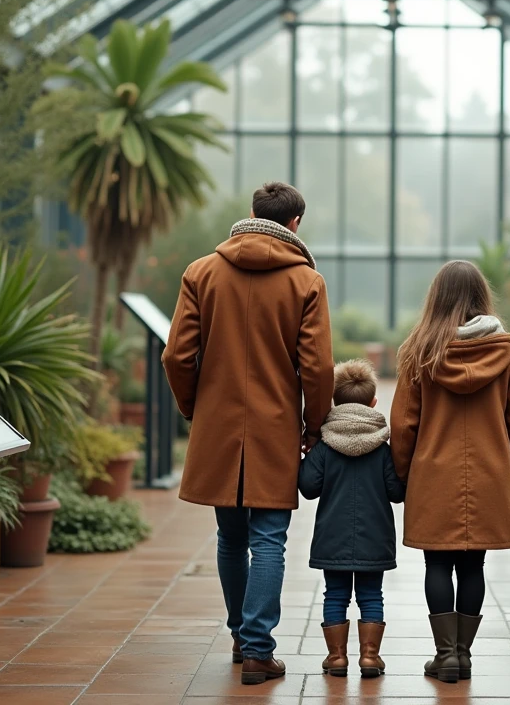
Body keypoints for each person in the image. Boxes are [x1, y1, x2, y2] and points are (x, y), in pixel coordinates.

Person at [163, 182, 334, 686]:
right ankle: (260, 650)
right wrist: (313, 424)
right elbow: (317, 368)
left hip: (218, 428)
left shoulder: (202, 272)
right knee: (270, 539)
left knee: (230, 538)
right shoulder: (306, 282)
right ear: (295, 223)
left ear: (252, 214)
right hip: (276, 429)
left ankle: (241, 637)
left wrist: (195, 406)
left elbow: (176, 355)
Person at [390, 260, 510, 684]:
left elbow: (404, 424)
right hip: (488, 474)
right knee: (474, 567)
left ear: (437, 298)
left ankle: (445, 655)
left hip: (433, 475)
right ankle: (464, 654)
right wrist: (502, 464)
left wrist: (403, 473)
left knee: (437, 565)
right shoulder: (506, 352)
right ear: (481, 297)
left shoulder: (420, 352)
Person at [298, 359, 406, 679]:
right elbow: (397, 492)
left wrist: (307, 454)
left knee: (335, 595)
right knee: (372, 595)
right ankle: (370, 658)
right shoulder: (383, 449)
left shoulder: (325, 447)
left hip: (333, 537)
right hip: (376, 538)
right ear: (373, 403)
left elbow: (307, 487)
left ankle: (336, 658)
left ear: (334, 401)